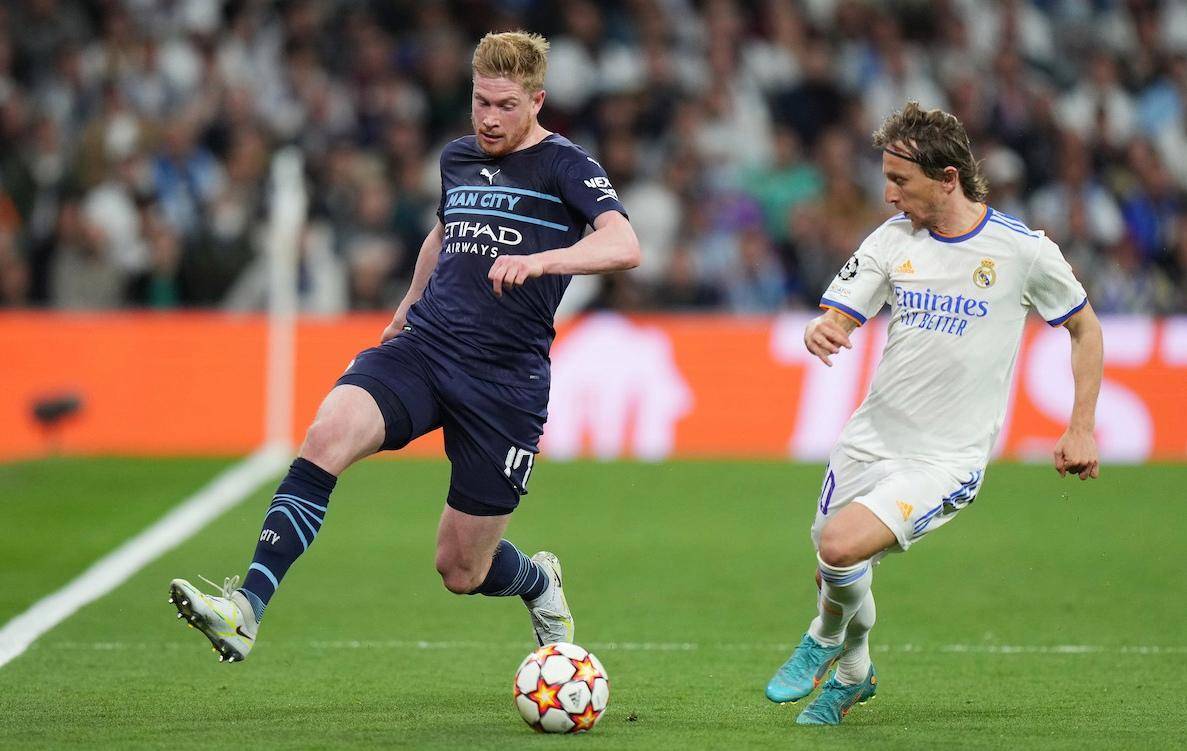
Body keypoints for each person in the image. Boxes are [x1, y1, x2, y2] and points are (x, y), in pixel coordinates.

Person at [168, 31, 640, 662]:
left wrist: (542, 261)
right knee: (328, 434)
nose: (489, 118)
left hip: (504, 382)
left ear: (536, 102)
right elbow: (444, 232)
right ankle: (245, 608)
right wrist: (406, 306)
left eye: (505, 106)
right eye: (480, 102)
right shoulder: (457, 158)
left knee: (460, 569)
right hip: (428, 347)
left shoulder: (567, 166)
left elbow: (624, 244)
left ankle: (537, 581)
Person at [764, 102, 1103, 725]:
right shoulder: (891, 241)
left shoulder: (1022, 251)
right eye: (886, 180)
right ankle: (854, 676)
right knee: (835, 569)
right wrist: (821, 329)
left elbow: (1085, 329)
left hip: (944, 459)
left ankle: (821, 640)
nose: (889, 195)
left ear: (948, 178)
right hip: (869, 441)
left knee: (839, 549)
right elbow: (839, 316)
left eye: (900, 181)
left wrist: (1080, 426)